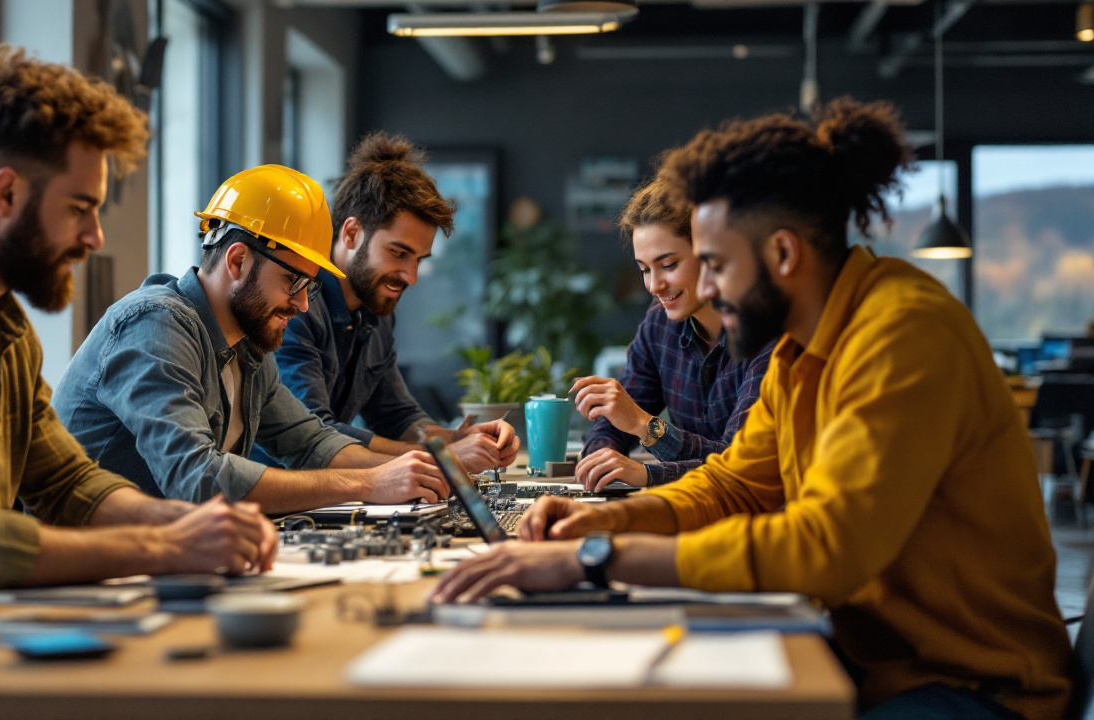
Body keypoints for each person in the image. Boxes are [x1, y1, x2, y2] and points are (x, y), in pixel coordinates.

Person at [430, 98, 1071, 720]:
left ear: (783, 255)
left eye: (712, 265)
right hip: (870, 659)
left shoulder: (902, 334)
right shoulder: (799, 346)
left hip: (976, 684)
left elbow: (827, 547)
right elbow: (736, 484)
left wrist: (596, 559)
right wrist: (604, 525)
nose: (700, 289)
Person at [0, 45, 278, 597]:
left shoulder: (3, 323)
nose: (95, 237)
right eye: (79, 208)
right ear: (7, 193)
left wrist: (187, 527)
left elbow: (69, 482)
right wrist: (167, 549)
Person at [53, 164, 452, 515]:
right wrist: (369, 483)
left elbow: (311, 443)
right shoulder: (156, 325)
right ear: (238, 260)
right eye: (293, 281)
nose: (300, 304)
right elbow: (198, 478)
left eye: (309, 287)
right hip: (79, 575)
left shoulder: (249, 347)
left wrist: (417, 471)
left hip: (160, 560)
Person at [261, 133, 519, 475]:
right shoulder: (297, 306)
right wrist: (443, 457)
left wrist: (458, 437)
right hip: (276, 505)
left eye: (419, 259)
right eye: (398, 253)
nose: (410, 276)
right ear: (351, 234)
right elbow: (316, 434)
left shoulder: (375, 309)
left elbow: (397, 415)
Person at [570, 179, 772, 491]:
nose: (654, 286)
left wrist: (645, 438)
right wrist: (601, 457)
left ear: (712, 253)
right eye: (644, 269)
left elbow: (740, 466)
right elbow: (617, 420)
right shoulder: (659, 326)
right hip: (688, 511)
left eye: (668, 265)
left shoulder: (768, 335)